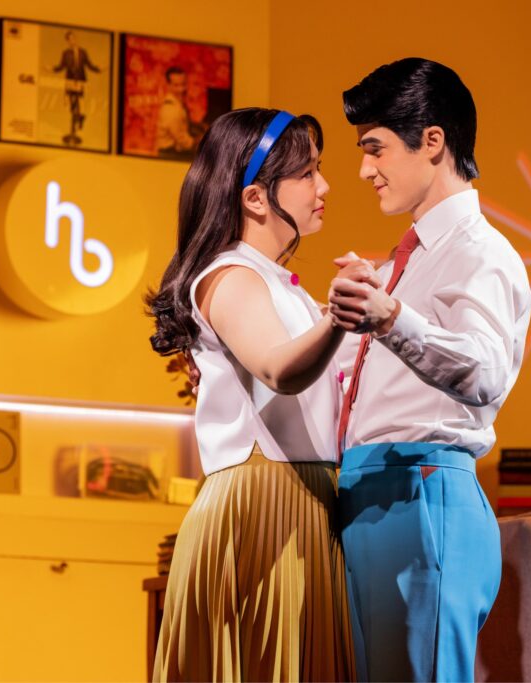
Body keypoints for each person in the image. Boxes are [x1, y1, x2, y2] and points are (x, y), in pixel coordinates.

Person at [328, 57, 531, 682]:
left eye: (376, 149)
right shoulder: (401, 263)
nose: (364, 170)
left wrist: (391, 317)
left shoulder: (481, 252)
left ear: (433, 141)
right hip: (371, 493)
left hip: (421, 491)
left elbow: (485, 372)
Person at [146, 108, 356, 681]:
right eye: (308, 173)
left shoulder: (275, 283)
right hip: (266, 499)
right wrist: (341, 314)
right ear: (256, 198)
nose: (324, 187)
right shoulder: (232, 276)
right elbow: (278, 369)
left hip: (301, 494)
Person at [52, 31, 101, 141]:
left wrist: (98, 69)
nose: (72, 41)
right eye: (70, 39)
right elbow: (61, 66)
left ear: (76, 39)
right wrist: (52, 69)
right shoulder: (65, 53)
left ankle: (76, 125)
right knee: (72, 104)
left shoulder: (83, 52)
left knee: (77, 103)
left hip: (80, 81)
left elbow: (89, 65)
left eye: (73, 38)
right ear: (67, 41)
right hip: (70, 81)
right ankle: (77, 124)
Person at [155, 66, 201, 160]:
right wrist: (199, 140)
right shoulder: (171, 109)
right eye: (176, 85)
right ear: (168, 85)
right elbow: (183, 141)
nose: (181, 89)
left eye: (183, 84)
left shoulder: (178, 104)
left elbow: (183, 126)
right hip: (170, 154)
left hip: (175, 151)